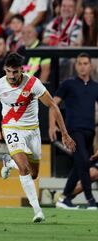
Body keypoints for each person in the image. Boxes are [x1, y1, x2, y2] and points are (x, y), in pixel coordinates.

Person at [0, 53, 76, 222]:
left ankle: (9, 162)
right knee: (24, 168)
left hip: (32, 131)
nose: (11, 76)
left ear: (22, 69)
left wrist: (64, 133)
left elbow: (53, 106)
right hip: (11, 128)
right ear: (4, 70)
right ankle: (37, 210)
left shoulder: (34, 84)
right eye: (8, 72)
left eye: (15, 72)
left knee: (33, 174)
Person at [50, 53, 98, 210]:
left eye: (85, 63)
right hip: (73, 131)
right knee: (83, 162)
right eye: (80, 63)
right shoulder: (68, 84)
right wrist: (52, 126)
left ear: (90, 66)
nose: (83, 66)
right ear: (75, 66)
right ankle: (91, 200)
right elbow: (53, 104)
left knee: (80, 165)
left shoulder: (95, 86)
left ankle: (64, 198)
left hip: (90, 132)